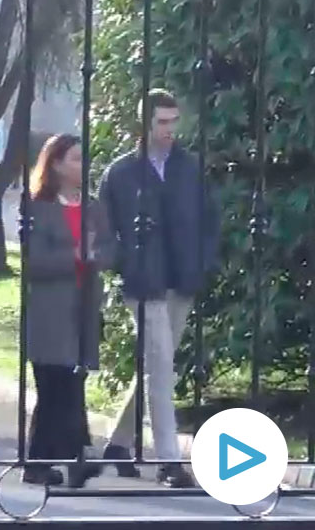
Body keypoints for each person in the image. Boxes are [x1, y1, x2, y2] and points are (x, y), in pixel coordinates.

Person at [98, 89, 220, 488]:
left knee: (155, 365)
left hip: (181, 281)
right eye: (162, 122)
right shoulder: (120, 172)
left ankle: (118, 445)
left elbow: (210, 220)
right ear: (145, 124)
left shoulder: (190, 167)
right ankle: (169, 460)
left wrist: (201, 265)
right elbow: (105, 230)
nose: (170, 130)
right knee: (161, 366)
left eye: (173, 121)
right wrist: (125, 262)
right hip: (144, 284)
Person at [22, 134, 114, 488]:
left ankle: (72, 459)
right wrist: (74, 256)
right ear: (57, 164)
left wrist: (95, 255)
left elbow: (109, 249)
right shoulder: (38, 207)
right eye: (75, 159)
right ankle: (46, 461)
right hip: (50, 309)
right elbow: (34, 262)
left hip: (83, 307)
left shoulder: (92, 207)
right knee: (54, 385)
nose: (82, 165)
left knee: (74, 382)